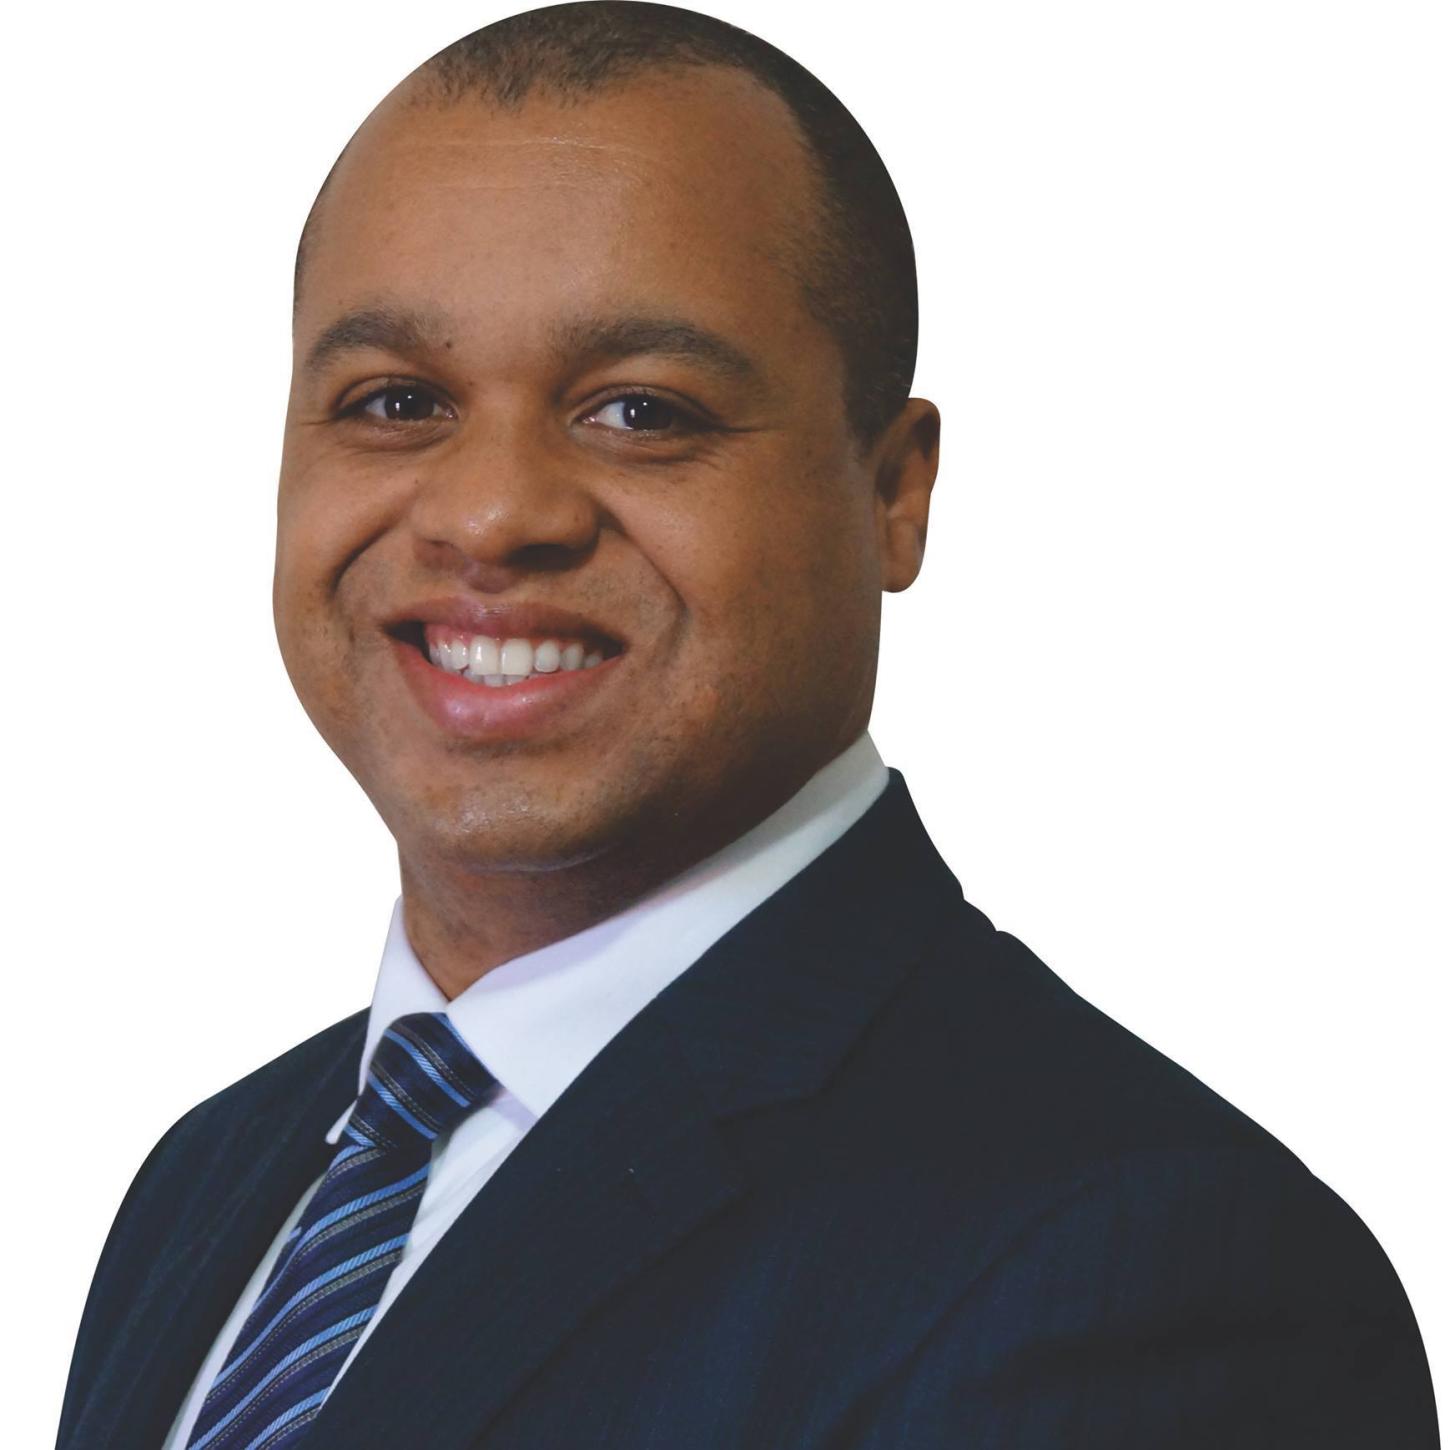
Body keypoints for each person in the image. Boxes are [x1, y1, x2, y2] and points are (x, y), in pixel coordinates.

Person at [55, 4, 1439, 1447]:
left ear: (894, 492)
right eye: (395, 400)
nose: (489, 513)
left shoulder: (1154, 1271)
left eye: (640, 412)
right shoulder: (210, 1179)